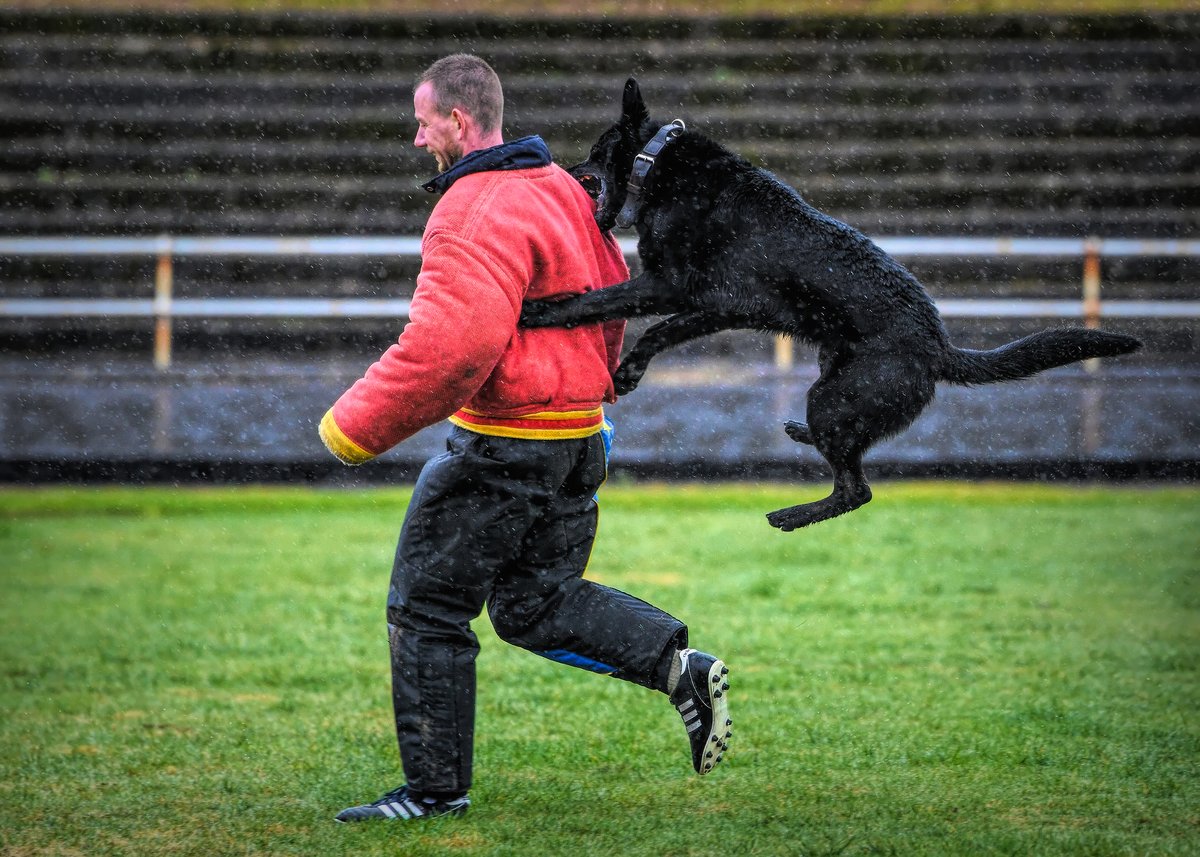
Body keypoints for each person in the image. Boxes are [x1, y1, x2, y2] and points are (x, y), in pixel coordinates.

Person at [319, 54, 731, 823]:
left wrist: (351, 428)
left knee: (428, 608)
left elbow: (452, 349)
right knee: (535, 603)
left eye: (423, 122)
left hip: (504, 446)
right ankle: (678, 665)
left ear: (460, 121)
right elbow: (613, 294)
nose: (417, 139)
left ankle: (433, 793)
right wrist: (590, 392)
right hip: (578, 437)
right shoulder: (563, 193)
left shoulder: (473, 208)